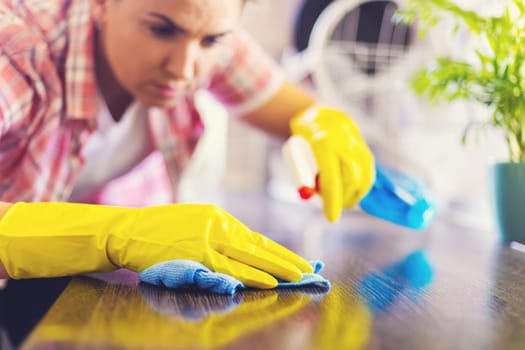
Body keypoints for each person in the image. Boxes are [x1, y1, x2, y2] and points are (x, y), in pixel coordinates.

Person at [0, 0, 374, 288]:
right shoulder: (16, 49)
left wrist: (322, 123)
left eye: (211, 41)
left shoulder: (198, 24)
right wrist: (116, 234)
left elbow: (297, 111)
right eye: (161, 31)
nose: (183, 68)